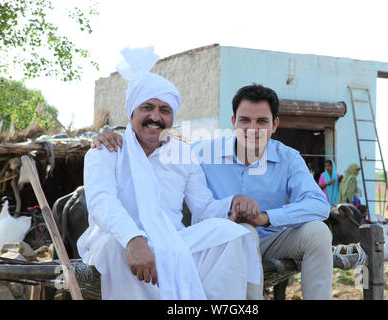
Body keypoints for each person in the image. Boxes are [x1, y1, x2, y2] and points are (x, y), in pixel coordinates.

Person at [93, 83, 333, 300]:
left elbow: (318, 204)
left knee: (318, 232)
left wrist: (266, 217)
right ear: (233, 121)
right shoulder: (199, 153)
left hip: (274, 237)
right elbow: (154, 150)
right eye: (245, 120)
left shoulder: (288, 158)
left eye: (262, 121)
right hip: (228, 242)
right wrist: (114, 135)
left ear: (275, 125)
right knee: (241, 230)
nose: (252, 128)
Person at [78, 46, 262, 300]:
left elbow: (204, 208)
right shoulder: (106, 150)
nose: (155, 116)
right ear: (132, 112)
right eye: (147, 107)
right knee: (113, 245)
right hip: (120, 241)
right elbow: (102, 203)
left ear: (172, 117)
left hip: (173, 239)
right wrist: (134, 239)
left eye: (165, 110)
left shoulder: (184, 155)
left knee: (231, 234)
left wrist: (232, 204)